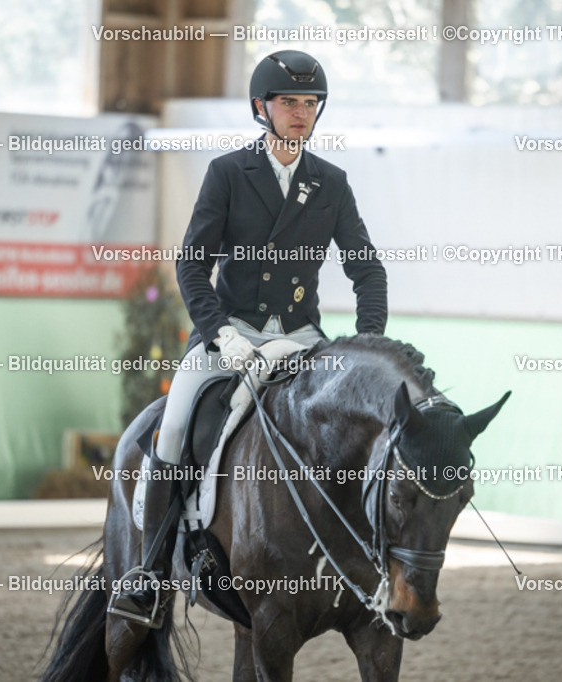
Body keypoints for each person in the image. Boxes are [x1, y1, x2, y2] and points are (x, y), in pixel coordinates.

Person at [108, 49, 388, 627]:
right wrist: (219, 332)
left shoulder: (331, 183)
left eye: (310, 103)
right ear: (262, 107)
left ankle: (371, 563)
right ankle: (149, 574)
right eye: (289, 103)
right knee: (175, 424)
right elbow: (192, 265)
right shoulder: (229, 173)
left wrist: (366, 348)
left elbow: (368, 271)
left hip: (301, 338)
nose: (301, 113)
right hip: (229, 334)